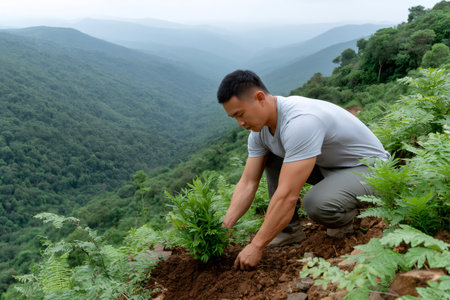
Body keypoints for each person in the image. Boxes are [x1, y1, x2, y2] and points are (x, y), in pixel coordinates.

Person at [217, 70, 390, 271]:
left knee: (317, 203)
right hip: (331, 167)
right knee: (272, 154)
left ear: (260, 98)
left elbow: (288, 196)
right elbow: (248, 182)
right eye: (234, 117)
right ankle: (288, 231)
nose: (240, 123)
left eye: (240, 114)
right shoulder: (261, 131)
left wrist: (256, 245)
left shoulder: (300, 121)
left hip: (370, 170)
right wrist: (224, 227)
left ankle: (344, 219)